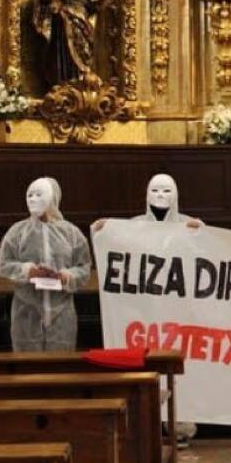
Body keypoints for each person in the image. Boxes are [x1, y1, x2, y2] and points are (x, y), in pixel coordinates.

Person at [93, 174, 200, 447]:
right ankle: (145, 427)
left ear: (176, 194)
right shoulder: (134, 227)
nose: (161, 195)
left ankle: (180, 428)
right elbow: (114, 242)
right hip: (144, 312)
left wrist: (202, 233)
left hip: (178, 311)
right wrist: (105, 230)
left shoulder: (189, 224)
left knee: (181, 370)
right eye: (155, 189)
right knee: (146, 366)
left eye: (166, 190)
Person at [0, 177, 91, 352]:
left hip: (61, 311)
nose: (32, 199)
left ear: (52, 197)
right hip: (26, 311)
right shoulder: (17, 233)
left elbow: (84, 267)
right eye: (29, 195)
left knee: (59, 368)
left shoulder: (71, 233)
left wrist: (67, 276)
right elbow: (4, 264)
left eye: (38, 194)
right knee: (27, 369)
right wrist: (27, 271)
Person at [33, 0, 117, 89]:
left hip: (83, 22)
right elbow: (49, 0)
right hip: (67, 23)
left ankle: (82, 78)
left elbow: (91, 5)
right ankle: (69, 80)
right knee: (69, 48)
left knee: (85, 49)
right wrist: (60, 6)